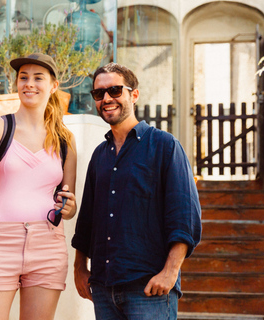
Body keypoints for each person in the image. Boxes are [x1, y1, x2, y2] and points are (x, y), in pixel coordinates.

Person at [71, 62, 201, 319]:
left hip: (150, 288)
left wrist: (170, 272)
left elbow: (184, 215)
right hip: (103, 288)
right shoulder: (100, 155)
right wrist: (79, 268)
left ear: (134, 94)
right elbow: (87, 219)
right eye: (99, 93)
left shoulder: (165, 146)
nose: (107, 98)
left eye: (115, 90)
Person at [0, 53, 77, 320]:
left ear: (54, 86)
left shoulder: (65, 139)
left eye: (38, 78)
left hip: (48, 244)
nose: (29, 84)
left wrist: (69, 207)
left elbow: (69, 202)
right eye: (23, 78)